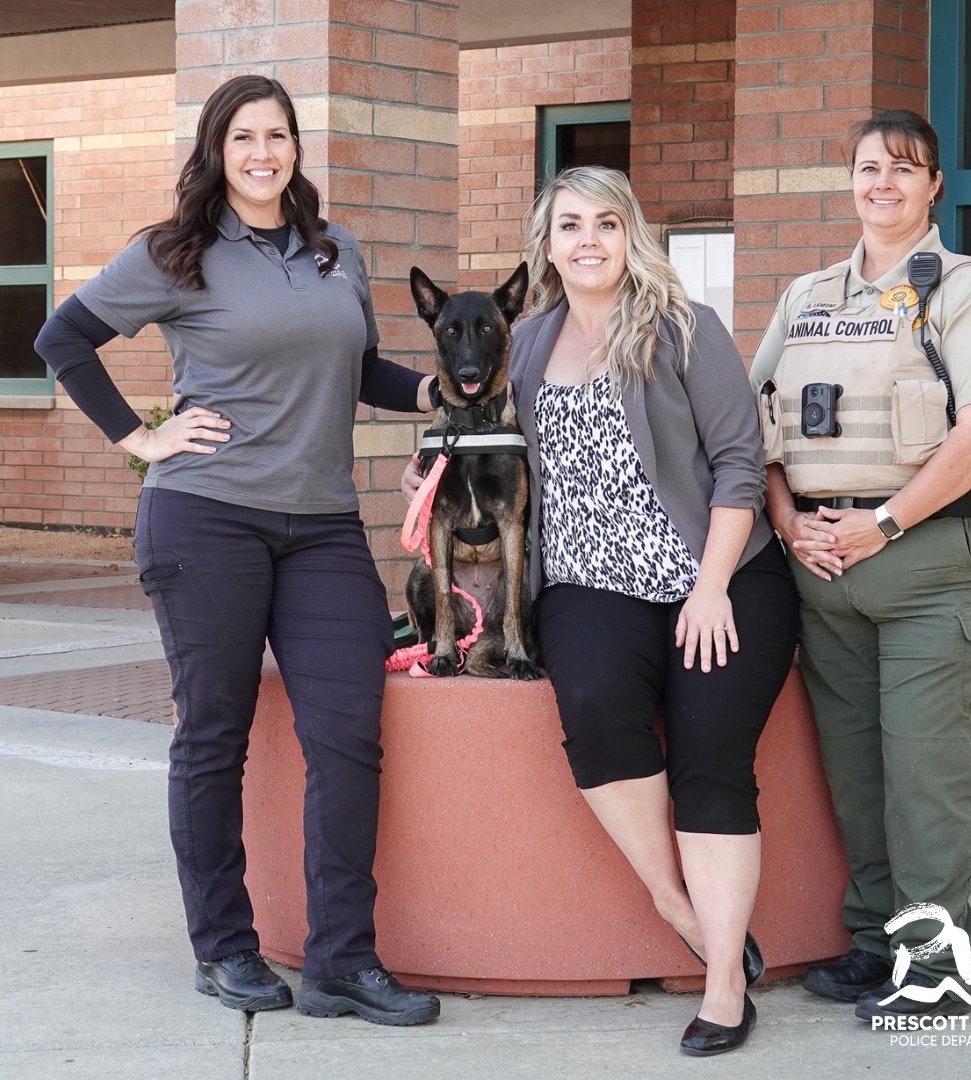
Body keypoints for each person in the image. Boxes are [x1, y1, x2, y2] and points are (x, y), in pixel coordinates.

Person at [34, 75, 442, 1026]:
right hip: (207, 517)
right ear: (218, 150)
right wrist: (142, 437)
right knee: (212, 738)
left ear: (298, 147)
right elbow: (64, 337)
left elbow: (358, 368)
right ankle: (225, 950)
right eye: (245, 137)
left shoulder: (339, 254)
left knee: (347, 735)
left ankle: (345, 960)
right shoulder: (174, 253)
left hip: (324, 528)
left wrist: (436, 395)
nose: (264, 153)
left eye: (280, 136)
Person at [405, 166, 798, 1055]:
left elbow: (740, 464)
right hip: (592, 582)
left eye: (607, 224)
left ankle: (725, 981)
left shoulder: (685, 330)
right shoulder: (531, 340)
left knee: (710, 754)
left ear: (633, 236)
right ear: (547, 243)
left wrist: (709, 587)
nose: (589, 241)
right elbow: (474, 428)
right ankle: (675, 905)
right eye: (570, 225)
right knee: (591, 707)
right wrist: (429, 469)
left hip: (719, 574)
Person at [749, 110, 971, 1021]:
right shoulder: (804, 297)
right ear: (851, 181)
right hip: (825, 573)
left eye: (905, 169)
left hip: (930, 571)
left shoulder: (963, 289)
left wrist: (881, 522)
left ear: (935, 185)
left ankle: (939, 965)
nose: (884, 183)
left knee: (925, 777)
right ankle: (877, 945)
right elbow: (749, 424)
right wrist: (789, 519)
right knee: (859, 775)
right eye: (869, 167)